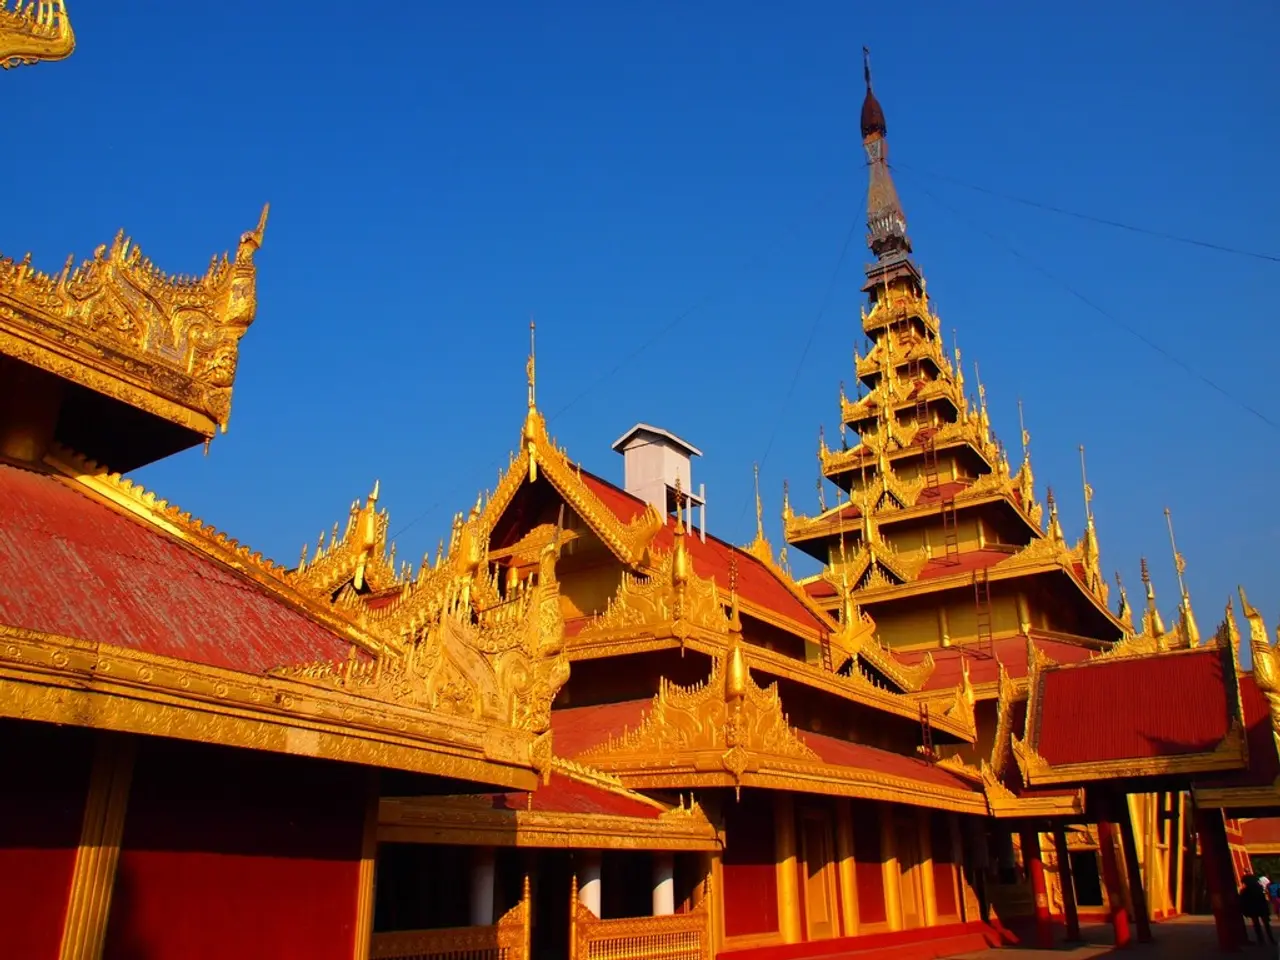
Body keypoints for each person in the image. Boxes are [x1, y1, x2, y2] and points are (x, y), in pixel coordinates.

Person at [1241, 878, 1276, 945]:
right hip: (1262, 908)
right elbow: (1264, 900)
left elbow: (1244, 901)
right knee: (1266, 925)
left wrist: (1245, 911)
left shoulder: (1245, 891)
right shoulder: (1259, 888)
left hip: (1254, 909)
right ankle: (1271, 939)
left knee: (1257, 925)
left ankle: (1261, 939)